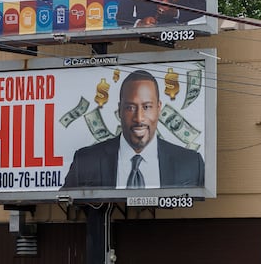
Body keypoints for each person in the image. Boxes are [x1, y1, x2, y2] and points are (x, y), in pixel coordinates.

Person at [60, 70, 204, 190]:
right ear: (120, 109)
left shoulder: (191, 163)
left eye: (146, 107)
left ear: (159, 108)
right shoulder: (85, 161)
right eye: (130, 107)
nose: (139, 118)